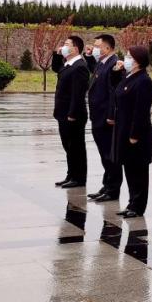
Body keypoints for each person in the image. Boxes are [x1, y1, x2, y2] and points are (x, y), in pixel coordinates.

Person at [110, 46, 152, 218]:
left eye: (129, 57)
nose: (126, 59)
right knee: (129, 169)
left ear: (138, 61)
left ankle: (138, 206)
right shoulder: (129, 77)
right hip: (123, 130)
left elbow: (140, 111)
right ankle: (131, 203)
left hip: (136, 134)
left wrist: (135, 134)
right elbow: (115, 88)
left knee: (138, 172)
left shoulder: (143, 81)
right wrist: (116, 70)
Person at [86, 33, 124, 203]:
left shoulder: (114, 65)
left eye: (97, 46)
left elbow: (113, 93)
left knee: (110, 155)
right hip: (97, 116)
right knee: (104, 154)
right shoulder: (102, 63)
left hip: (106, 118)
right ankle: (106, 185)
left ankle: (113, 189)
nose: (94, 48)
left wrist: (111, 115)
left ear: (107, 48)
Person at [54, 35, 90, 189]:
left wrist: (72, 114)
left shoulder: (80, 66)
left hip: (73, 115)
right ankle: (71, 174)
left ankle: (79, 178)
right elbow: (56, 68)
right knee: (68, 146)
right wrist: (57, 54)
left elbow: (78, 93)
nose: (64, 46)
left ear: (75, 49)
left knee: (76, 147)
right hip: (63, 113)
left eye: (67, 44)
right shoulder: (68, 64)